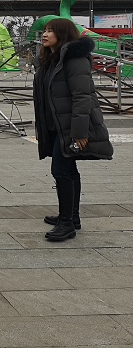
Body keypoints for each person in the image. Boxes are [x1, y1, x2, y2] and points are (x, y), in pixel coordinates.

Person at [33, 18, 113, 241]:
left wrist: (79, 132)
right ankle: (71, 216)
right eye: (44, 30)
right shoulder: (50, 60)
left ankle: (66, 223)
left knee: (60, 170)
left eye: (50, 31)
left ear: (63, 34)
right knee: (69, 168)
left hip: (69, 127)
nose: (45, 34)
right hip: (56, 125)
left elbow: (82, 97)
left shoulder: (74, 59)